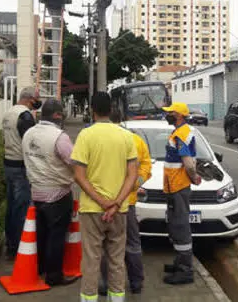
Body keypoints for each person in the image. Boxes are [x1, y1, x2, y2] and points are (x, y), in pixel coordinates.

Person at [71, 92, 138, 302]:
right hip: (120, 211)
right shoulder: (126, 136)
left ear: (92, 110)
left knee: (91, 261)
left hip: (92, 210)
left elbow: (79, 176)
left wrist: (102, 202)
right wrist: (116, 203)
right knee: (117, 261)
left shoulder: (85, 136)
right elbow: (133, 175)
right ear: (111, 110)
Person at [21, 99, 77, 286]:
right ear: (57, 116)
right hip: (58, 194)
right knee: (57, 236)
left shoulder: (29, 133)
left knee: (42, 232)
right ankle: (54, 276)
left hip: (36, 192)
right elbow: (74, 161)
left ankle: (41, 268)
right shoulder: (59, 137)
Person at [99, 111, 152, 296]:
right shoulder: (135, 140)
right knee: (132, 243)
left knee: (106, 245)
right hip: (126, 202)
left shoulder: (95, 138)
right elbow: (146, 166)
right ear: (120, 120)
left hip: (103, 202)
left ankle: (105, 284)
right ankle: (136, 283)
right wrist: (135, 185)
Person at [162, 102, 202, 285]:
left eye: (170, 113)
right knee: (176, 225)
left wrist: (194, 177)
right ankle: (180, 263)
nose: (167, 115)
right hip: (175, 186)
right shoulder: (179, 132)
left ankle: (185, 270)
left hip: (178, 187)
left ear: (178, 115)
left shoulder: (181, 134)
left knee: (180, 226)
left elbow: (188, 163)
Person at [2, 86, 41, 259]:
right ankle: (18, 247)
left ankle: (10, 243)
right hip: (20, 166)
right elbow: (31, 143)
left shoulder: (9, 113)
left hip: (8, 163)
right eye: (36, 99)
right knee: (21, 208)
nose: (37, 103)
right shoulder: (25, 116)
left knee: (11, 206)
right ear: (29, 98)